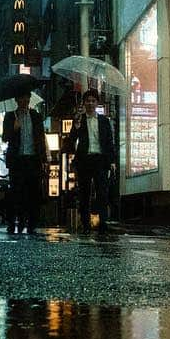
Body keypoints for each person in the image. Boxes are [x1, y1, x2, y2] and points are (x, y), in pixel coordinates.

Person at [65, 89, 115, 234]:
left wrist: (112, 161)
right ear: (84, 103)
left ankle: (103, 223)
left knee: (102, 193)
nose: (90, 103)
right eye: (88, 101)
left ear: (97, 103)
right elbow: (71, 142)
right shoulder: (79, 120)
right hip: (84, 160)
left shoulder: (104, 121)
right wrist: (75, 128)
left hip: (100, 160)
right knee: (84, 193)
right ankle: (85, 224)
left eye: (93, 101)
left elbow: (109, 142)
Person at [2, 91, 47, 235]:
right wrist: (13, 129)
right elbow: (5, 137)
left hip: (33, 159)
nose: (24, 100)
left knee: (33, 192)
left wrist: (44, 159)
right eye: (21, 97)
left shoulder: (36, 116)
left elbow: (40, 138)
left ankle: (32, 223)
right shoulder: (10, 116)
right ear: (16, 99)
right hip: (17, 160)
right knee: (16, 192)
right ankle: (17, 222)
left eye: (26, 97)